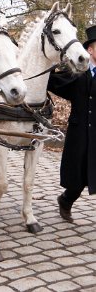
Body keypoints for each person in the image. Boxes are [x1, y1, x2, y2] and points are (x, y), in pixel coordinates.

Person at [48, 24, 96, 223]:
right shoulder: (78, 73)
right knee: (77, 177)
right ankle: (66, 201)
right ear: (90, 50)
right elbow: (54, 82)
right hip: (79, 132)